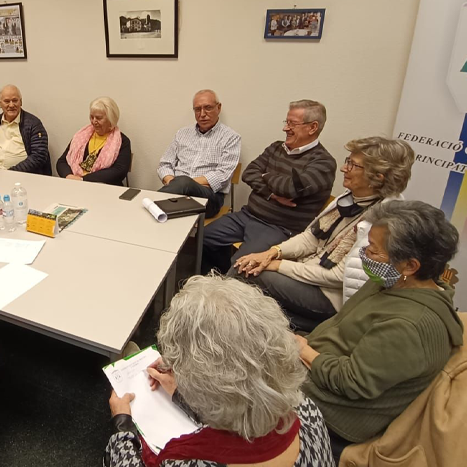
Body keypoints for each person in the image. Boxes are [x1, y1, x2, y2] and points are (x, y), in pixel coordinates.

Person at [105, 274, 338, 467]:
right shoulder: (307, 412)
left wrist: (123, 427)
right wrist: (180, 393)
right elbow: (243, 406)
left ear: (203, 386)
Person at [294, 200, 463, 462]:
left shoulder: (409, 326)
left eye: (373, 251)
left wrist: (304, 351)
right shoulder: (392, 281)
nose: (364, 256)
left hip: (332, 412)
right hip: (313, 367)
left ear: (410, 265)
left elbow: (352, 383)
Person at [231, 137, 414, 331]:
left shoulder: (383, 221)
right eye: (348, 161)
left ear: (378, 177)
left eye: (353, 165)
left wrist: (278, 265)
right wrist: (272, 252)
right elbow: (309, 238)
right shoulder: (347, 199)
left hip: (329, 297)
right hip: (308, 274)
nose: (344, 169)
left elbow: (337, 276)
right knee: (247, 265)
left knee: (246, 271)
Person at [201, 99, 337, 274]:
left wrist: (266, 175)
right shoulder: (276, 148)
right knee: (202, 239)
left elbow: (290, 189)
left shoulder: (323, 162)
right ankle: (219, 276)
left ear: (312, 127)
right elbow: (249, 173)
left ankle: (228, 286)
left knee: (241, 264)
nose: (285, 128)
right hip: (247, 215)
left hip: (279, 228)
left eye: (292, 123)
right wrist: (271, 194)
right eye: (286, 122)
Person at [157, 89, 242, 217]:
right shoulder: (182, 134)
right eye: (197, 109)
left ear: (218, 108)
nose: (202, 114)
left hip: (209, 198)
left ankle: (150, 205)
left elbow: (222, 176)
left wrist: (186, 184)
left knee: (182, 184)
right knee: (166, 213)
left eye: (207, 108)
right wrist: (174, 183)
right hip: (176, 193)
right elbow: (164, 165)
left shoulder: (231, 137)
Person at [56, 97, 131, 186]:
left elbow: (119, 171)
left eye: (99, 118)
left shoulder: (122, 141)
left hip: (104, 189)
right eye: (92, 117)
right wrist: (69, 176)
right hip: (74, 185)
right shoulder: (81, 136)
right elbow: (62, 161)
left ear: (111, 119)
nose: (94, 121)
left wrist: (83, 179)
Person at [0, 84, 51, 174]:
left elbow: (39, 156)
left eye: (15, 100)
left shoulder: (34, 124)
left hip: (23, 178)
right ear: (0, 103)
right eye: (7, 101)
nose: (11, 105)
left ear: (21, 102)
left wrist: (9, 173)